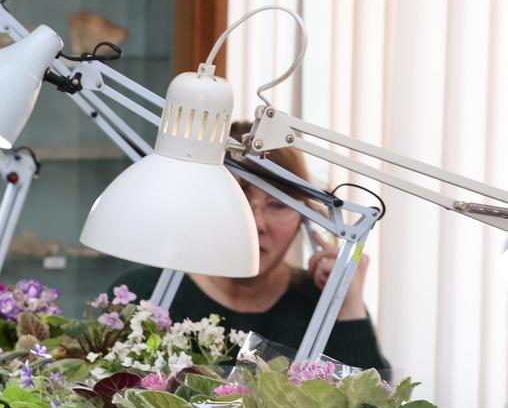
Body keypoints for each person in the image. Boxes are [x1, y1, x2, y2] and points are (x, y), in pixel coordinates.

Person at [109, 141, 389, 374]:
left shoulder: (322, 303)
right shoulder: (145, 295)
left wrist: (350, 309)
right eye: (238, 200)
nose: (256, 224)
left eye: (279, 204)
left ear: (303, 219)